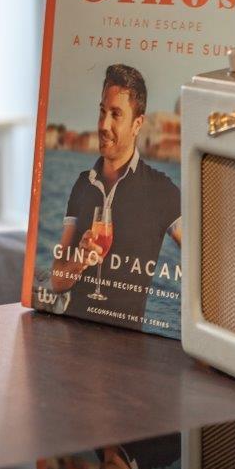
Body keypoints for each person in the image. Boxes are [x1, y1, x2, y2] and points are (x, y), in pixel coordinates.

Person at [49, 64, 180, 324]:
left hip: (127, 340)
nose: (104, 124)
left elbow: (202, 260)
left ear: (137, 124)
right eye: (102, 112)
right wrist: (79, 261)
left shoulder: (161, 190)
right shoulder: (82, 184)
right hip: (73, 332)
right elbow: (57, 281)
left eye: (116, 114)